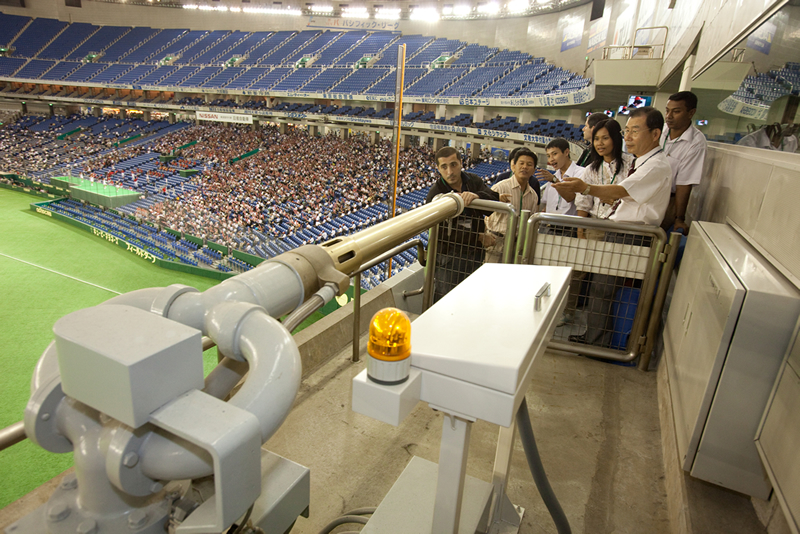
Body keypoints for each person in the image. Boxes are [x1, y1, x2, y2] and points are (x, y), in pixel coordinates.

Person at [553, 107, 672, 347]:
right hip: (618, 232)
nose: (628, 136)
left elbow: (622, 191)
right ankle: (595, 339)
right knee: (599, 288)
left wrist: (585, 188)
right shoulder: (641, 162)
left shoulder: (656, 165)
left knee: (603, 289)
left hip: (631, 235)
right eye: (627, 131)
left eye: (634, 131)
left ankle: (598, 343)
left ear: (655, 133)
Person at [426, 145, 499, 300]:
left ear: (461, 162)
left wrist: (476, 196)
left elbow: (493, 200)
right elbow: (440, 233)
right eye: (444, 167)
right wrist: (478, 237)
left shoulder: (473, 181)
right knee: (446, 300)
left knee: (470, 299)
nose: (450, 172)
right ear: (438, 169)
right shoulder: (435, 194)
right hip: (448, 257)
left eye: (453, 165)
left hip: (474, 254)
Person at [660, 91, 707, 234]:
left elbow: (684, 184)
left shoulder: (696, 143)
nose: (669, 116)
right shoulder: (660, 130)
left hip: (668, 200)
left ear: (691, 112)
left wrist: (679, 218)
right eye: (667, 111)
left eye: (676, 111)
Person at [484, 147, 539, 263]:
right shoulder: (500, 187)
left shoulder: (533, 195)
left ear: (534, 170)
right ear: (513, 166)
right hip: (497, 241)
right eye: (521, 163)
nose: (525, 167)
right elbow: (486, 212)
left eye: (529, 164)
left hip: (517, 244)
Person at [573, 119, 634, 222]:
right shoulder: (591, 169)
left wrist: (617, 201)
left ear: (615, 139)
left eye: (605, 138)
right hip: (595, 224)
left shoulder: (631, 165)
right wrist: (580, 231)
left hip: (622, 225)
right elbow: (583, 204)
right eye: (596, 139)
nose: (600, 143)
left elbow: (636, 196)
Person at [536, 138, 584, 217]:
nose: (551, 159)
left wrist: (555, 181)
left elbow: (571, 198)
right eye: (548, 156)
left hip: (568, 226)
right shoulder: (554, 176)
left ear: (566, 152)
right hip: (549, 224)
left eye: (554, 154)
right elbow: (546, 203)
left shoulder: (581, 173)